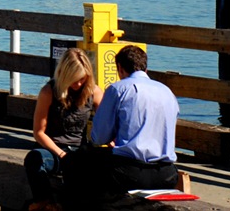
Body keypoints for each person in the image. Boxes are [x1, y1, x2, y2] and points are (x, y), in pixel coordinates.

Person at [65, 45, 179, 202]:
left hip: (129, 172)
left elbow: (99, 138)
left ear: (119, 68)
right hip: (166, 174)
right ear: (145, 68)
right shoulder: (167, 92)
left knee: (76, 160)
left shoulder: (117, 89)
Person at [24, 48, 103, 205]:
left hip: (79, 150)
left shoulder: (93, 91)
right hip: (53, 150)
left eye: (82, 79)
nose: (78, 83)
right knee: (34, 160)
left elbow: (107, 124)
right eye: (74, 79)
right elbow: (39, 132)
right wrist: (61, 154)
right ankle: (45, 204)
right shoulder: (48, 92)